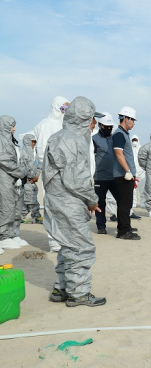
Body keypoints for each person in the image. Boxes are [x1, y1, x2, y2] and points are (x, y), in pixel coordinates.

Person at [42, 96, 106, 307]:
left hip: (56, 200)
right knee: (81, 248)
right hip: (69, 201)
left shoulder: (58, 137)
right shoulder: (74, 140)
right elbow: (77, 180)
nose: (94, 123)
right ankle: (78, 294)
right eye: (91, 119)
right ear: (83, 118)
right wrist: (92, 200)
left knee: (67, 245)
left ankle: (61, 288)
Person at [33, 96, 69, 252]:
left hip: (65, 173)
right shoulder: (45, 125)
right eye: (63, 109)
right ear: (56, 108)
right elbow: (42, 153)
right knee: (52, 207)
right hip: (52, 172)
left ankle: (62, 238)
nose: (65, 112)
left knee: (64, 207)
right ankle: (54, 241)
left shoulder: (65, 126)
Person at [112, 106, 140, 240]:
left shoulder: (124, 134)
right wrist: (128, 171)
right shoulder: (118, 134)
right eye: (133, 120)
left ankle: (125, 226)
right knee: (124, 203)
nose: (133, 123)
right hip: (123, 175)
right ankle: (123, 231)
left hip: (127, 175)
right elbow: (118, 153)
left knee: (126, 203)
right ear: (126, 119)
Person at [0, 116, 27, 251]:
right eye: (12, 126)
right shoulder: (2, 141)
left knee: (14, 207)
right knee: (6, 207)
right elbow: (5, 160)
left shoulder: (9, 141)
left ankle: (11, 234)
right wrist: (21, 172)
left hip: (11, 179)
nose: (14, 129)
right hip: (4, 178)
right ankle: (3, 236)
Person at [92, 112, 120, 235]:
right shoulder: (94, 140)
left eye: (110, 127)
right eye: (106, 127)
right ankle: (101, 226)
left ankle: (123, 225)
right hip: (100, 177)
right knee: (100, 203)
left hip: (115, 177)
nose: (108, 129)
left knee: (121, 200)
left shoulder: (115, 139)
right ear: (100, 125)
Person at [20, 133, 42, 224]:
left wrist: (36, 176)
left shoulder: (34, 154)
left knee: (28, 200)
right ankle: (36, 216)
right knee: (31, 200)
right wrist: (31, 177)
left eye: (35, 142)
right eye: (32, 141)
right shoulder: (23, 153)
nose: (34, 143)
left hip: (33, 181)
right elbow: (24, 167)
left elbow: (38, 165)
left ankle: (20, 217)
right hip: (27, 182)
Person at [131, 135, 146, 209]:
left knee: (142, 188)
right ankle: (134, 202)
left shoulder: (141, 149)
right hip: (133, 172)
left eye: (135, 140)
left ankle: (143, 202)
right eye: (133, 140)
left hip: (141, 172)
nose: (134, 142)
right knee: (133, 189)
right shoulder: (129, 149)